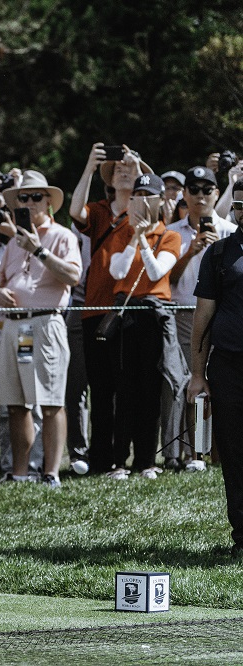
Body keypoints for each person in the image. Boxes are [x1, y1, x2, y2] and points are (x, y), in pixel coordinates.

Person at [0, 171, 81, 487]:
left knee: (52, 400)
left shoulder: (62, 235)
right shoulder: (13, 242)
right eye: (23, 198)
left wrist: (39, 249)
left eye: (35, 197)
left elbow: (72, 276)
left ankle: (51, 472)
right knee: (15, 403)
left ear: (48, 202)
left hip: (45, 321)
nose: (29, 203)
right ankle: (20, 472)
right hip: (13, 324)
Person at [69, 143, 145, 474]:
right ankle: (101, 458)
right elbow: (75, 211)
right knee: (100, 388)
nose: (124, 173)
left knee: (127, 385)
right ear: (109, 181)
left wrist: (139, 166)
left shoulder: (145, 210)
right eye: (118, 171)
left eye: (129, 171)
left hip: (131, 309)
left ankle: (121, 458)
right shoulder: (99, 210)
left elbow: (154, 195)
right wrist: (89, 166)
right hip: (95, 310)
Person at [107, 173, 183, 479]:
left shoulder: (169, 235)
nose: (141, 200)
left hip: (153, 316)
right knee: (124, 389)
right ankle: (118, 461)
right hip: (127, 316)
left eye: (147, 195)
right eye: (136, 195)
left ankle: (146, 461)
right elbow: (117, 272)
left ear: (159, 201)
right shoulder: (121, 231)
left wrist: (143, 240)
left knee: (150, 389)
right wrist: (133, 239)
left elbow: (156, 273)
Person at [166, 167, 234, 470]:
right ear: (184, 194)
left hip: (223, 317)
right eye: (193, 189)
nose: (200, 196)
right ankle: (192, 454)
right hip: (182, 315)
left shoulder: (231, 232)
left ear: (217, 194)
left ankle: (220, 453)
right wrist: (191, 251)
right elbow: (166, 280)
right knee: (189, 385)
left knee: (223, 386)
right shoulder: (172, 232)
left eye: (207, 190)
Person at [189, 188, 243, 558]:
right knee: (235, 453)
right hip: (228, 365)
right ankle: (242, 537)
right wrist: (197, 373)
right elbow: (202, 318)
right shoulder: (220, 253)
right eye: (238, 204)